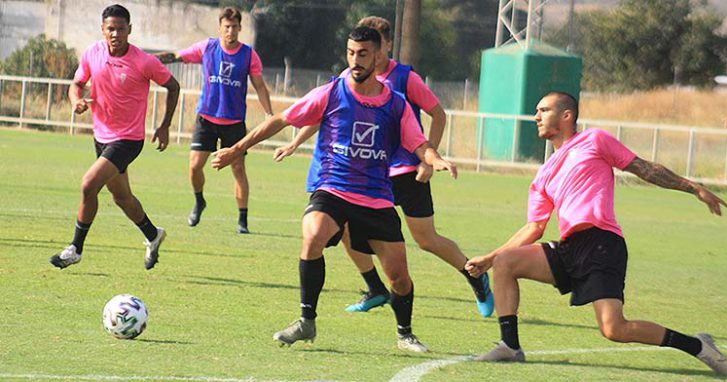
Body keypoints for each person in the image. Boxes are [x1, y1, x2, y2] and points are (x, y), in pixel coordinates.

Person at [212, 26, 457, 352]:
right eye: (351, 53)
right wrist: (236, 149)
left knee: (399, 276)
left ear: (378, 55)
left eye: (363, 54)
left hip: (376, 196)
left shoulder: (395, 104)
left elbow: (418, 143)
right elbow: (282, 119)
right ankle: (306, 321)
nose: (356, 60)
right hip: (334, 188)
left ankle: (405, 333)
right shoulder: (331, 92)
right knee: (312, 234)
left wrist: (434, 158)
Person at [464, 91, 727, 376]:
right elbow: (534, 227)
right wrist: (491, 258)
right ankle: (510, 346)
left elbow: (645, 169)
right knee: (506, 262)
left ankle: (698, 346)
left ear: (567, 115)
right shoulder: (544, 174)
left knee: (614, 329)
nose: (536, 117)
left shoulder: (594, 140)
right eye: (536, 111)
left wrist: (694, 188)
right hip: (569, 248)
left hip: (602, 243)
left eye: (544, 110)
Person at [274, 16, 493, 317]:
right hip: (366, 176)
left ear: (385, 46)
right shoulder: (350, 77)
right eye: (357, 50)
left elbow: (438, 114)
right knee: (344, 225)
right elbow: (326, 114)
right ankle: (376, 288)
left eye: (371, 47)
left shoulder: (405, 78)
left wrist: (428, 159)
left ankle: (475, 276)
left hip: (406, 172)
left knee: (426, 240)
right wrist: (296, 142)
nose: (363, 55)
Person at [49, 4, 180, 270]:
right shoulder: (92, 53)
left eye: (121, 29)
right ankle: (153, 235)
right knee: (121, 198)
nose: (115, 34)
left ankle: (75, 248)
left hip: (128, 140)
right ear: (102, 30)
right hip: (102, 136)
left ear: (129, 30)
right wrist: (76, 101)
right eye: (111, 29)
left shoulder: (144, 61)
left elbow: (173, 86)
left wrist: (164, 125)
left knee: (88, 185)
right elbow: (76, 84)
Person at [156, 7, 273, 233]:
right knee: (194, 167)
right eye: (226, 27)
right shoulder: (207, 47)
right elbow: (178, 56)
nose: (230, 31)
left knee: (238, 169)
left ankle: (243, 220)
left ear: (240, 28)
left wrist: (269, 114)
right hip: (207, 119)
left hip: (234, 123)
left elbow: (260, 86)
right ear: (220, 27)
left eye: (234, 27)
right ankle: (199, 201)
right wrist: (149, 60)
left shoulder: (249, 55)